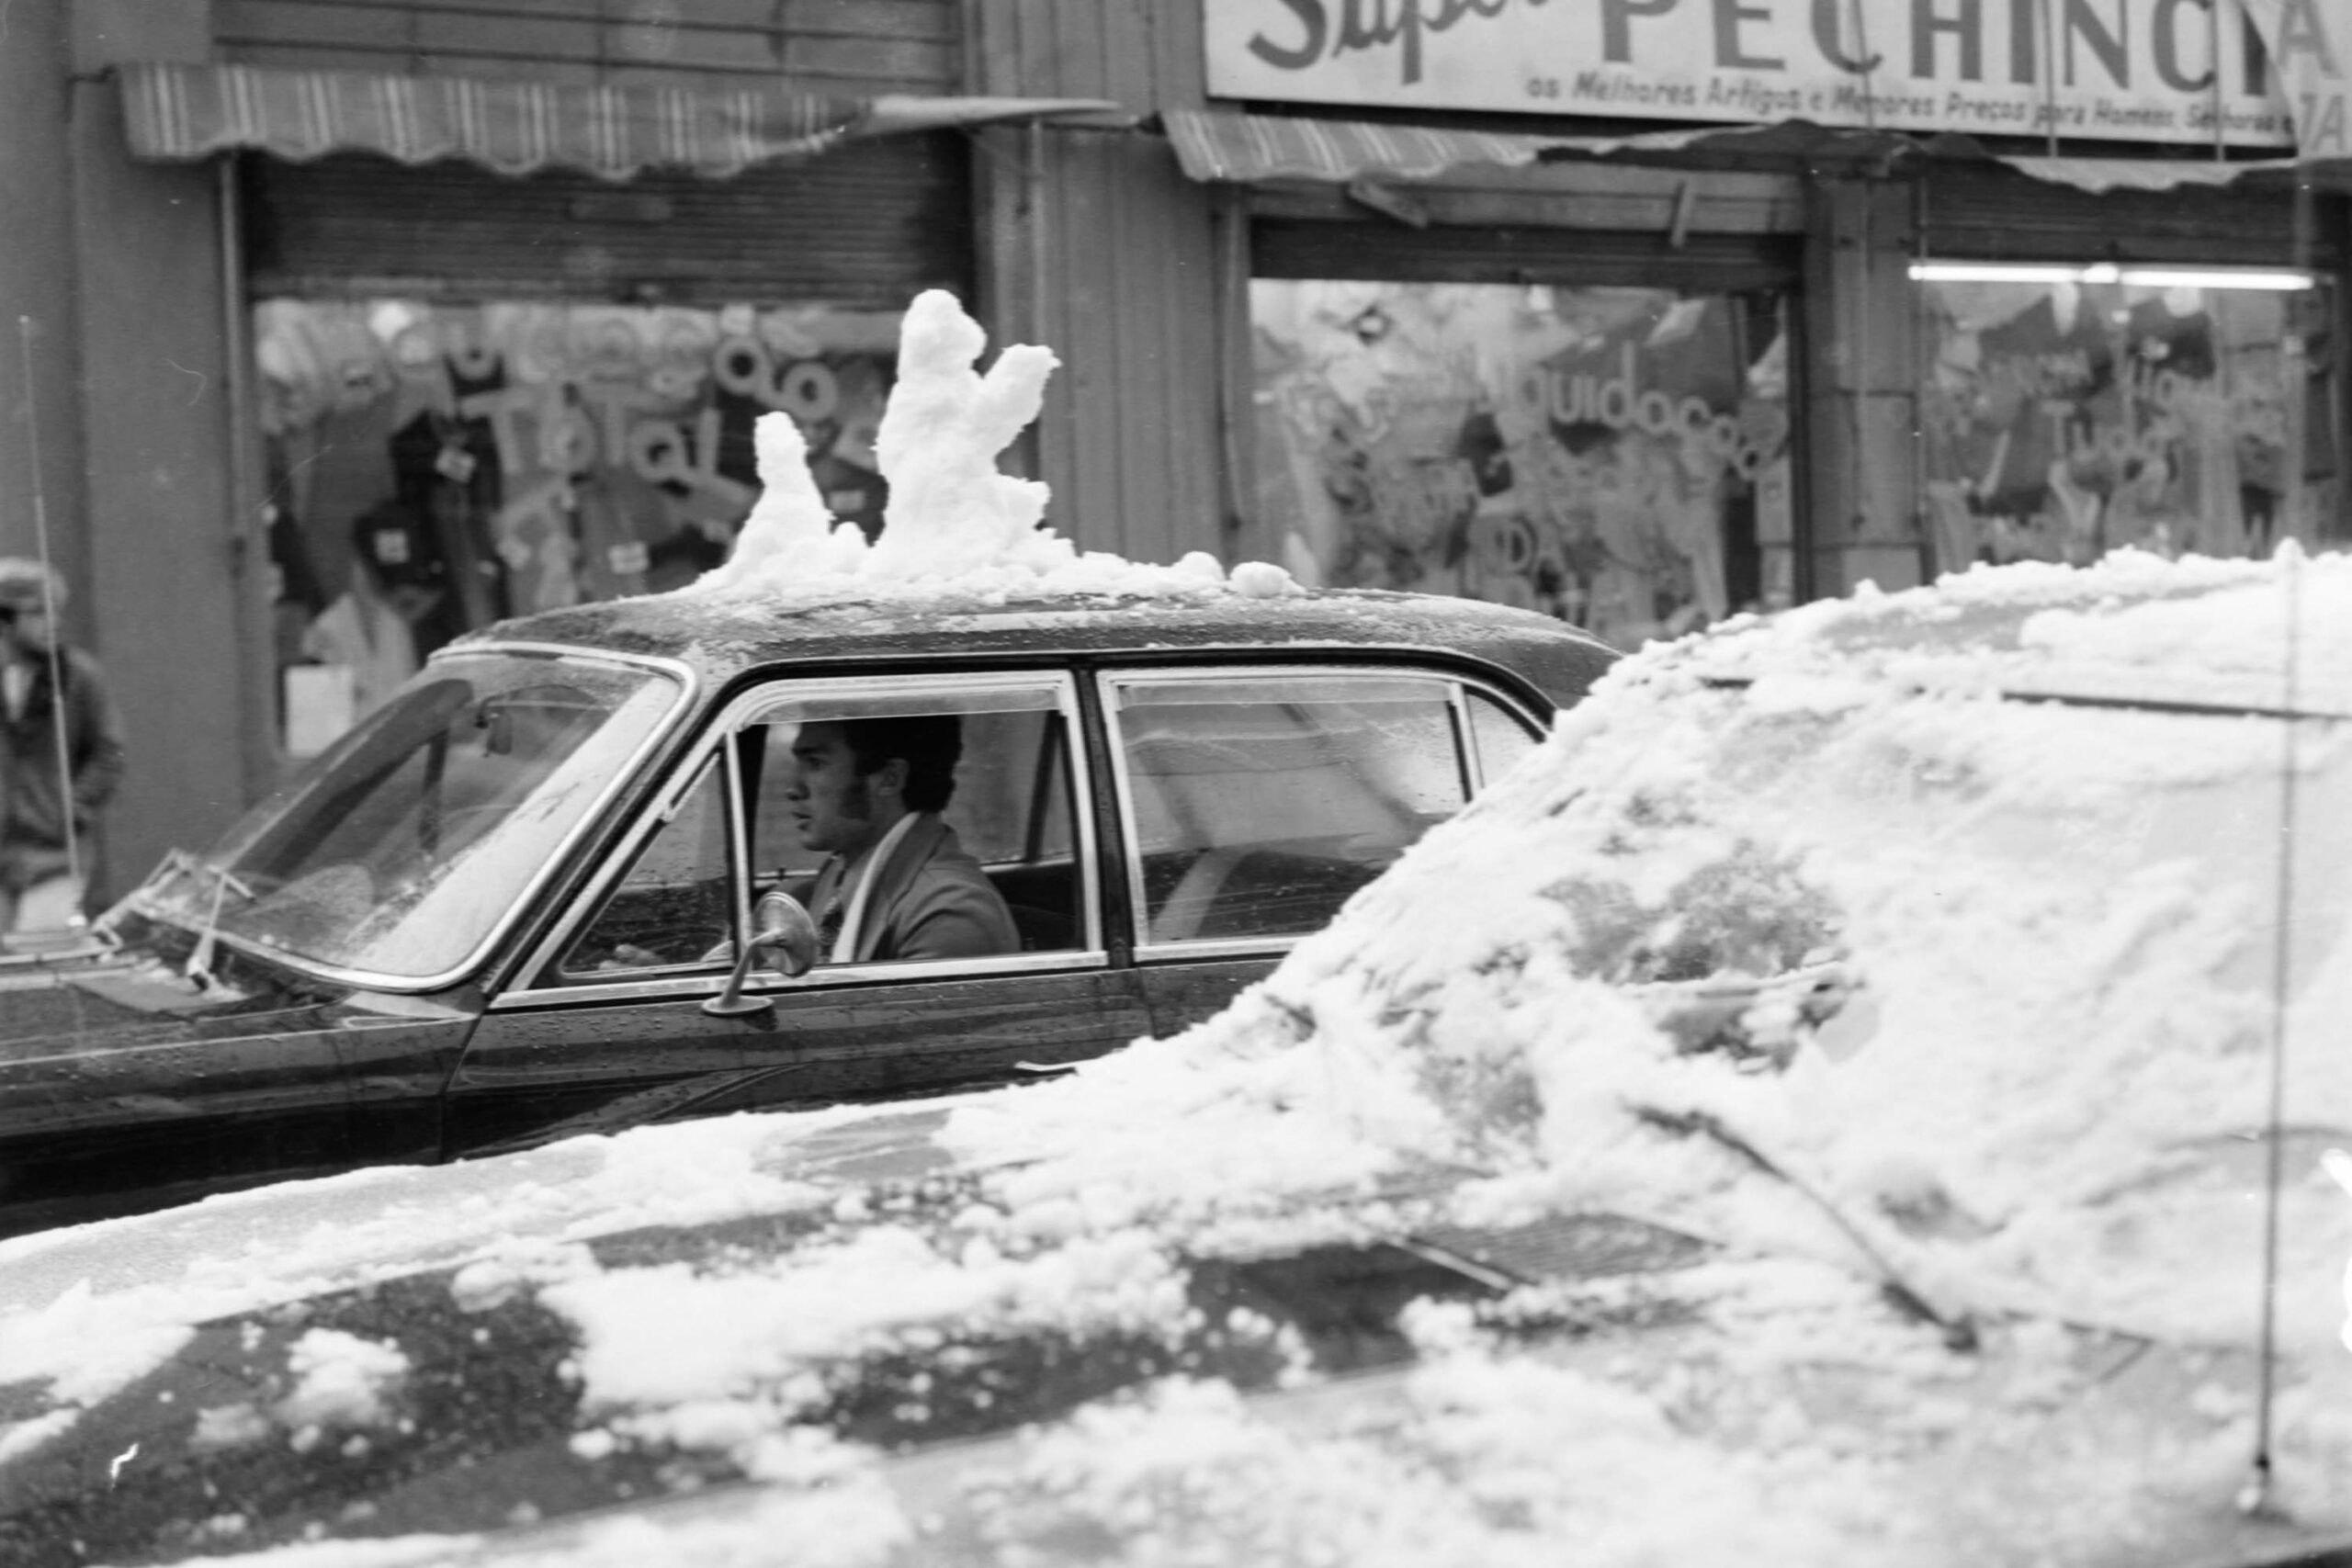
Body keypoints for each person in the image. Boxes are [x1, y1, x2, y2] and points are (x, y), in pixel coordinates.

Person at [786, 714, 1016, 964]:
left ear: (890, 779)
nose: (793, 789)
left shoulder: (949, 912)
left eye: (816, 763)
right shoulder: (842, 869)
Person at [0, 559, 127, 941]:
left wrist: (71, 806)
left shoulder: (78, 677)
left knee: (44, 955)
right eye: (38, 612)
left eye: (57, 611)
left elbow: (109, 752)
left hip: (53, 854)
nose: (52, 623)